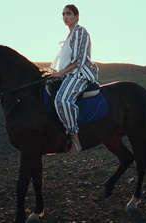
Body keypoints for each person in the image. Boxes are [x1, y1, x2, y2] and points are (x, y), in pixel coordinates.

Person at [50, 4, 99, 159]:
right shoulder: (70, 35)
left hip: (80, 74)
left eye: (68, 14)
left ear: (77, 16)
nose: (65, 17)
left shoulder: (80, 32)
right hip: (68, 74)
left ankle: (75, 140)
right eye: (63, 14)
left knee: (62, 100)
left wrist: (62, 73)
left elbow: (80, 60)